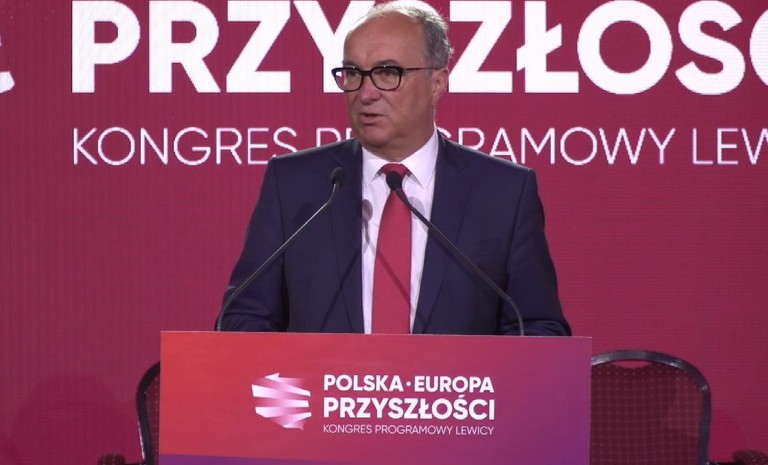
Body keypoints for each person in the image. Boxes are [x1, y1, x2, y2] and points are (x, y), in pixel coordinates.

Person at [219, 1, 570, 336]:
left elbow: (538, 328)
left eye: (387, 73)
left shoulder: (503, 193)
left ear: (437, 83)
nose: (365, 93)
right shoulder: (296, 185)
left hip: (455, 383)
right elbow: (243, 317)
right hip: (320, 382)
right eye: (353, 73)